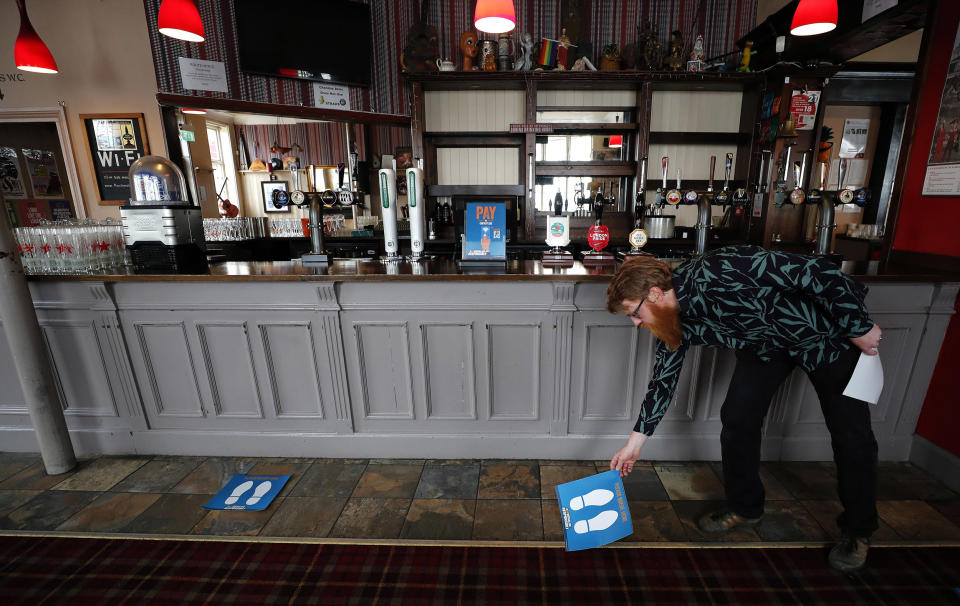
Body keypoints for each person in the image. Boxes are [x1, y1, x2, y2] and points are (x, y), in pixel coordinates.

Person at [605, 245, 882, 572]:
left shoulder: (721, 267)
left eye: (633, 313)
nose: (635, 323)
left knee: (852, 435)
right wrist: (635, 443)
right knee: (737, 419)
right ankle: (745, 507)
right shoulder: (671, 319)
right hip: (765, 348)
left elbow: (816, 272)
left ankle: (858, 530)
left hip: (823, 338)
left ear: (654, 294)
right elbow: (664, 378)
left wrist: (859, 326)